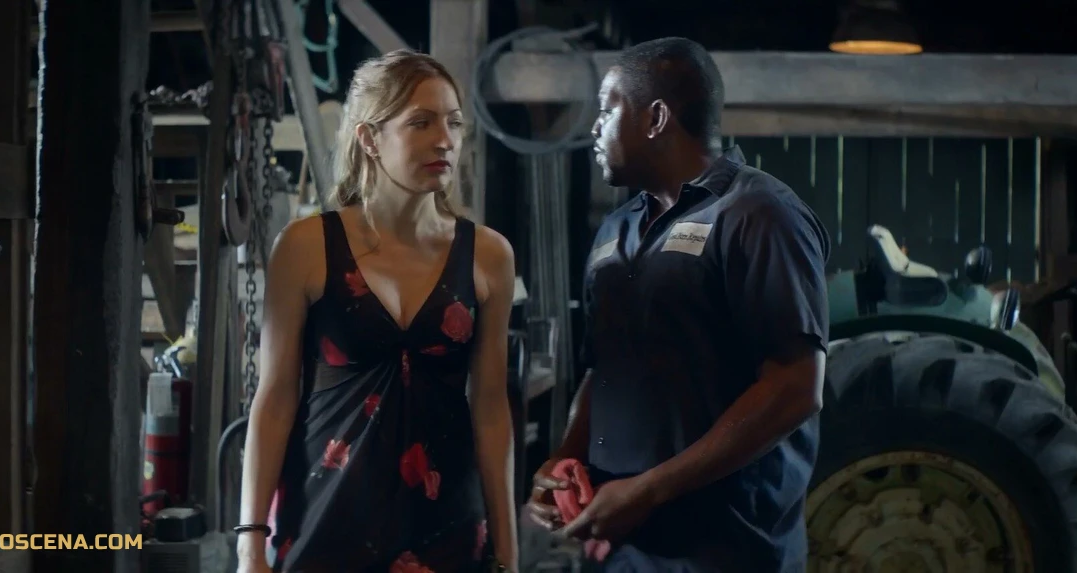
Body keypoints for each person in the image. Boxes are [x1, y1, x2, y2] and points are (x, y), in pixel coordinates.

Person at [524, 37, 830, 572]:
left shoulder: (758, 214)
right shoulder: (614, 232)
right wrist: (564, 460)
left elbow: (795, 388)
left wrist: (647, 490)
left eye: (607, 110)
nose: (594, 128)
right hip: (622, 551)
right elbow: (603, 370)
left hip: (727, 553)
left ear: (656, 118)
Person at [235, 49, 519, 573]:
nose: (445, 140)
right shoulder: (305, 247)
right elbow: (274, 399)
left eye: (454, 122)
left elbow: (491, 408)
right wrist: (249, 541)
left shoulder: (488, 256)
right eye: (421, 122)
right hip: (326, 517)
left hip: (446, 524)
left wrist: (508, 551)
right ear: (369, 138)